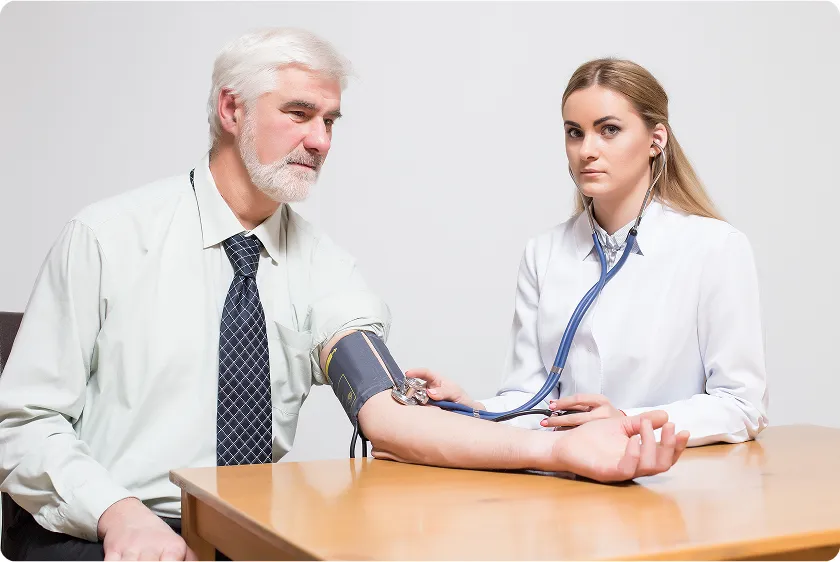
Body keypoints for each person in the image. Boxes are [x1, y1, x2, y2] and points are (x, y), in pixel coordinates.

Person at [0, 34, 689, 562]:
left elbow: (387, 413)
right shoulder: (107, 239)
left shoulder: (324, 268)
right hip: (102, 530)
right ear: (231, 108)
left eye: (331, 120)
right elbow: (21, 425)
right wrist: (117, 511)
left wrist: (563, 454)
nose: (321, 141)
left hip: (242, 535)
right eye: (299, 114)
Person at [411, 58, 768, 447]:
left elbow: (741, 405)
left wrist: (625, 423)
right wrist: (474, 409)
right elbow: (532, 400)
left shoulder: (715, 248)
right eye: (574, 133)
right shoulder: (543, 253)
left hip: (673, 487)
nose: (587, 150)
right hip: (569, 486)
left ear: (656, 140)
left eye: (608, 130)